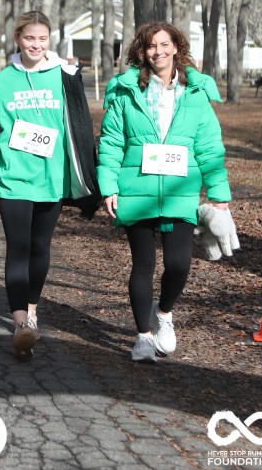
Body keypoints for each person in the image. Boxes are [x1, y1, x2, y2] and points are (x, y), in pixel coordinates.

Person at [97, 21, 236, 363]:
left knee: (179, 265)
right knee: (143, 265)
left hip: (179, 191)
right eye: (150, 46)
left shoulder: (196, 92)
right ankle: (143, 338)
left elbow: (209, 147)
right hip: (136, 189)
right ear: (141, 51)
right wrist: (109, 187)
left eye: (163, 44)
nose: (157, 51)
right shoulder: (126, 90)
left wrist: (218, 194)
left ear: (176, 47)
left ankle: (164, 313)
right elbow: (111, 142)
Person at [0, 10, 100, 360]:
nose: (36, 45)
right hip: (13, 179)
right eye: (29, 38)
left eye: (42, 39)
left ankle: (32, 308)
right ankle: (20, 324)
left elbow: (79, 126)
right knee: (18, 248)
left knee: (40, 248)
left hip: (52, 180)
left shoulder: (63, 76)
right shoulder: (3, 81)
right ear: (17, 39)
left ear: (49, 40)